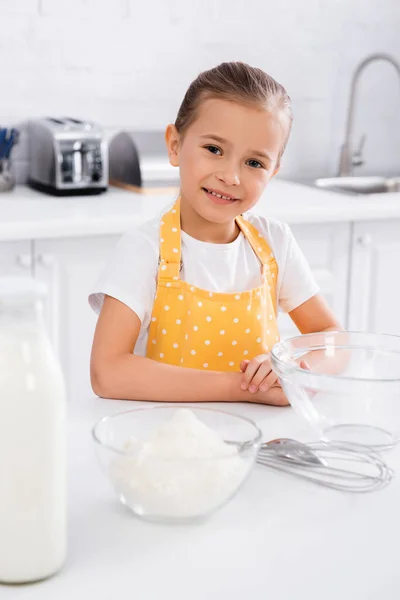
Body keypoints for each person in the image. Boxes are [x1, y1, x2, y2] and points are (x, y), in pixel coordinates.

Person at [89, 61, 341, 405]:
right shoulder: (144, 249)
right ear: (175, 145)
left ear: (274, 171)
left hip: (259, 443)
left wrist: (296, 366)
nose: (231, 176)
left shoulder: (275, 243)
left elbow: (333, 339)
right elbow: (108, 372)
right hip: (171, 440)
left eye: (254, 163)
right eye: (214, 150)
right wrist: (244, 388)